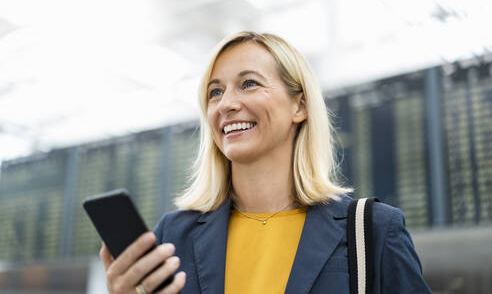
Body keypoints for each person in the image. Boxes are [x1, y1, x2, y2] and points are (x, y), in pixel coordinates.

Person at [100, 31, 432, 293]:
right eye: (215, 92)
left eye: (249, 84)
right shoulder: (173, 235)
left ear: (299, 106)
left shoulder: (372, 230)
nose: (226, 104)